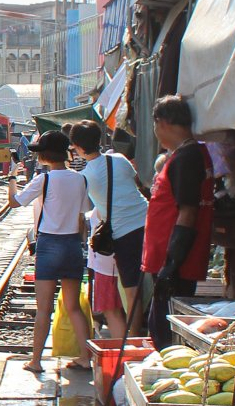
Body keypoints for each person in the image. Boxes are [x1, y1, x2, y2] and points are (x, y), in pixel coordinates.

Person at [8, 130, 90, 372]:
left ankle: (36, 362)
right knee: (73, 307)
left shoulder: (44, 180)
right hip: (72, 244)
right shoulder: (80, 179)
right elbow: (81, 218)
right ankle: (85, 357)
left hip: (48, 244)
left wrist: (12, 177)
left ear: (43, 156)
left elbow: (15, 202)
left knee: (43, 308)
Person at [142, 96, 215, 349]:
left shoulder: (186, 158)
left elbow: (188, 212)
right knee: (160, 326)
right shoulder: (185, 155)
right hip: (169, 261)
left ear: (161, 122)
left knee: (164, 333)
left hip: (175, 264)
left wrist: (172, 264)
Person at [70, 120, 148, 329]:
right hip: (148, 222)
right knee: (152, 279)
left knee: (131, 290)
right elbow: (135, 184)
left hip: (124, 234)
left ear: (77, 147)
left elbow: (84, 209)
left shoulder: (85, 177)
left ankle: (132, 341)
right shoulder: (120, 160)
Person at [87, 210, 125, 338]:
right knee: (116, 311)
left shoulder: (105, 196)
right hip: (111, 262)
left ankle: (121, 353)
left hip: (106, 264)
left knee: (111, 311)